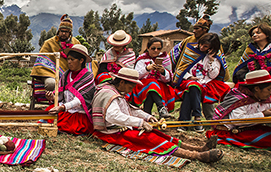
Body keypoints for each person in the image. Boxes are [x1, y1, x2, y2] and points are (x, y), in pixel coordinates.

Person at [91, 69, 222, 163]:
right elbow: (113, 116)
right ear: (121, 83)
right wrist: (140, 123)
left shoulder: (115, 91)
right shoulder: (109, 94)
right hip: (111, 132)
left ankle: (199, 149)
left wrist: (147, 117)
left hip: (120, 128)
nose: (132, 89)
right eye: (131, 85)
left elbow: (129, 109)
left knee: (159, 134)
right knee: (152, 139)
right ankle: (196, 156)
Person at [169, 15, 229, 119]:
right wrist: (185, 75)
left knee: (202, 92)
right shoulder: (189, 42)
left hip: (207, 80)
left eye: (197, 29)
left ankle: (207, 119)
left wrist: (210, 60)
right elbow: (181, 62)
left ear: (205, 30)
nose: (194, 31)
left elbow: (217, 68)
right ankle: (195, 118)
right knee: (192, 87)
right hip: (190, 79)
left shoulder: (215, 47)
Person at [173, 33, 230, 131]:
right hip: (188, 81)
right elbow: (181, 68)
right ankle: (197, 118)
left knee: (189, 92)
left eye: (206, 46)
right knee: (193, 86)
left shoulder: (215, 56)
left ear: (211, 47)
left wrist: (211, 61)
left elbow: (213, 75)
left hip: (206, 84)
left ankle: (183, 122)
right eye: (201, 44)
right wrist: (190, 76)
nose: (202, 47)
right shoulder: (190, 51)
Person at [233, 23, 271, 108]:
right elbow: (242, 65)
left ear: (267, 34)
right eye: (253, 34)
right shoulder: (250, 49)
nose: (255, 35)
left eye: (258, 33)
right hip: (254, 79)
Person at [45, 44, 95, 135]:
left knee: (71, 127)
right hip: (65, 110)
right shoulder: (66, 75)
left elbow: (80, 100)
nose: (69, 62)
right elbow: (60, 95)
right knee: (48, 113)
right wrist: (52, 97)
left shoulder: (88, 77)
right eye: (68, 59)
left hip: (78, 113)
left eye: (72, 59)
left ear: (81, 60)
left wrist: (63, 107)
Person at [131, 37, 175, 119]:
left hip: (159, 86)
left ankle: (147, 114)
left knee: (152, 86)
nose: (156, 51)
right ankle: (161, 108)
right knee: (152, 84)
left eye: (158, 49)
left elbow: (169, 79)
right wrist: (147, 69)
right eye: (153, 48)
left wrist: (163, 72)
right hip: (143, 86)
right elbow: (136, 75)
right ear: (148, 48)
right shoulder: (142, 59)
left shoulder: (165, 58)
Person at [31, 15, 74, 94]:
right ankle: (53, 102)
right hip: (50, 73)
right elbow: (42, 62)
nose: (63, 33)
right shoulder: (49, 43)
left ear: (70, 33)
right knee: (51, 84)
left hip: (71, 75)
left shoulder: (75, 43)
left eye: (66, 32)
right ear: (58, 31)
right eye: (62, 31)